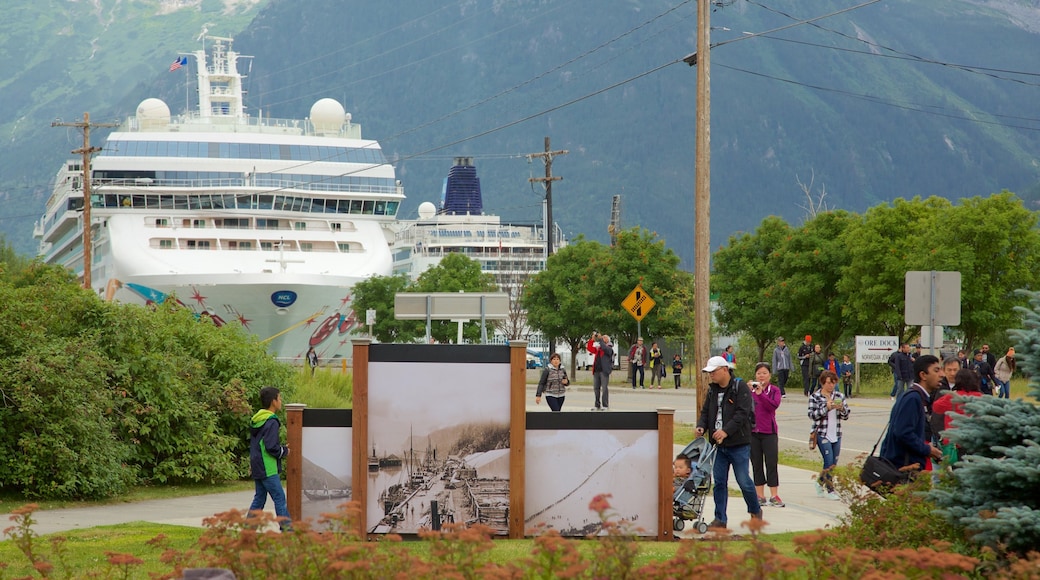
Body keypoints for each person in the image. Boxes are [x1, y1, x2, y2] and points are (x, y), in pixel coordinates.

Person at [695, 356, 762, 529]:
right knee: (719, 483)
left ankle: (755, 510)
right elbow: (706, 412)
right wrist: (701, 426)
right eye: (709, 373)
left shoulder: (740, 387)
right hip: (718, 446)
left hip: (738, 443)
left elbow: (742, 414)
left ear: (725, 370)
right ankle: (720, 519)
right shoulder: (712, 391)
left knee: (743, 480)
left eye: (713, 372)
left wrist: (726, 431)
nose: (711, 376)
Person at [880, 355, 944, 473]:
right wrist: (927, 449)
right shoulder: (913, 398)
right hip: (903, 468)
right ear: (923, 375)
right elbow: (903, 433)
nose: (942, 374)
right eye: (936, 370)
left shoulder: (917, 396)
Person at [248, 386, 292, 531]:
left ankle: (248, 531)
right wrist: (284, 451)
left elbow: (262, 443)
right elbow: (271, 446)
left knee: (260, 498)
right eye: (279, 398)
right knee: (279, 498)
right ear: (273, 401)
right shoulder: (272, 421)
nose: (281, 401)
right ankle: (288, 531)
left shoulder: (258, 419)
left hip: (257, 465)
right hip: (268, 467)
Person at [807, 371, 850, 500]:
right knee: (828, 461)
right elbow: (811, 415)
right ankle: (830, 489)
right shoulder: (815, 396)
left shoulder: (839, 396)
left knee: (834, 463)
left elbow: (846, 415)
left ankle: (820, 482)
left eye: (833, 383)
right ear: (822, 383)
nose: (831, 385)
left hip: (836, 433)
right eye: (828, 383)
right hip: (822, 433)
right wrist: (826, 408)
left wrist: (841, 408)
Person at [932, 369, 984, 467]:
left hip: (955, 440)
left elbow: (936, 407)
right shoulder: (981, 397)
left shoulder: (952, 396)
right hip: (975, 438)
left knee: (957, 467)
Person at [749, 362, 784, 507]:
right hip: (753, 432)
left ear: (769, 375)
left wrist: (761, 394)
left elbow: (773, 406)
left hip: (769, 432)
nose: (761, 376)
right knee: (756, 463)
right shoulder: (750, 390)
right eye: (759, 373)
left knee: (771, 463)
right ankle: (759, 495)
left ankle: (774, 495)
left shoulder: (774, 390)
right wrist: (747, 389)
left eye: (764, 373)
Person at [588, 332, 614, 411]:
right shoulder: (599, 348)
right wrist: (592, 340)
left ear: (608, 340)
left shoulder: (609, 348)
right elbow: (590, 348)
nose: (603, 339)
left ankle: (605, 405)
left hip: (604, 371)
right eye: (602, 338)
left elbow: (604, 348)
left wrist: (600, 339)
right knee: (596, 388)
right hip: (596, 370)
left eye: (605, 338)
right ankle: (597, 405)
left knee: (604, 388)